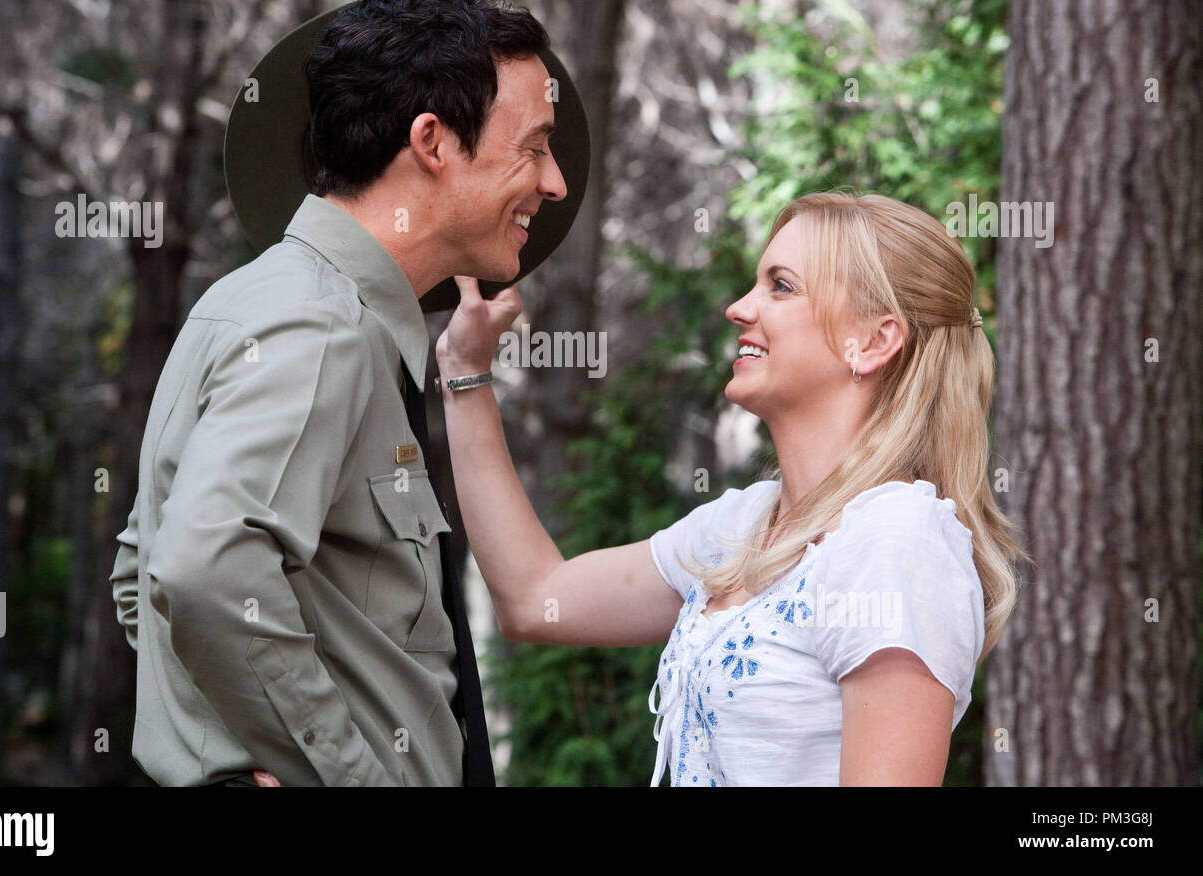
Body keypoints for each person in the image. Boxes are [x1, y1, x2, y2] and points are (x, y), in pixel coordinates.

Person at [108, 0, 575, 786]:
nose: (555, 181)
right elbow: (201, 568)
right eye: (533, 146)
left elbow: (138, 578)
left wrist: (239, 737)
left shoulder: (263, 299)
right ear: (432, 142)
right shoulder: (320, 325)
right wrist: (334, 769)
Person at [435, 189, 1029, 785]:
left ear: (874, 342)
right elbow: (536, 600)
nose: (739, 308)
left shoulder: (895, 539)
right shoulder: (741, 525)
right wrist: (466, 371)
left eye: (782, 286)